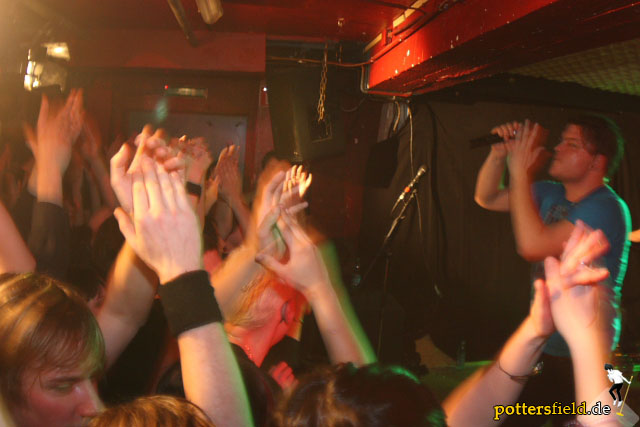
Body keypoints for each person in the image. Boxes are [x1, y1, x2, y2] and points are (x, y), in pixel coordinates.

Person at [474, 115, 631, 425]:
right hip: (548, 345)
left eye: (571, 144)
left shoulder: (607, 207)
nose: (557, 148)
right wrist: (499, 155)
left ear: (596, 162)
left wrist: (520, 171)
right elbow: (487, 198)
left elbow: (533, 246)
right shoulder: (550, 192)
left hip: (585, 353)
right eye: (561, 140)